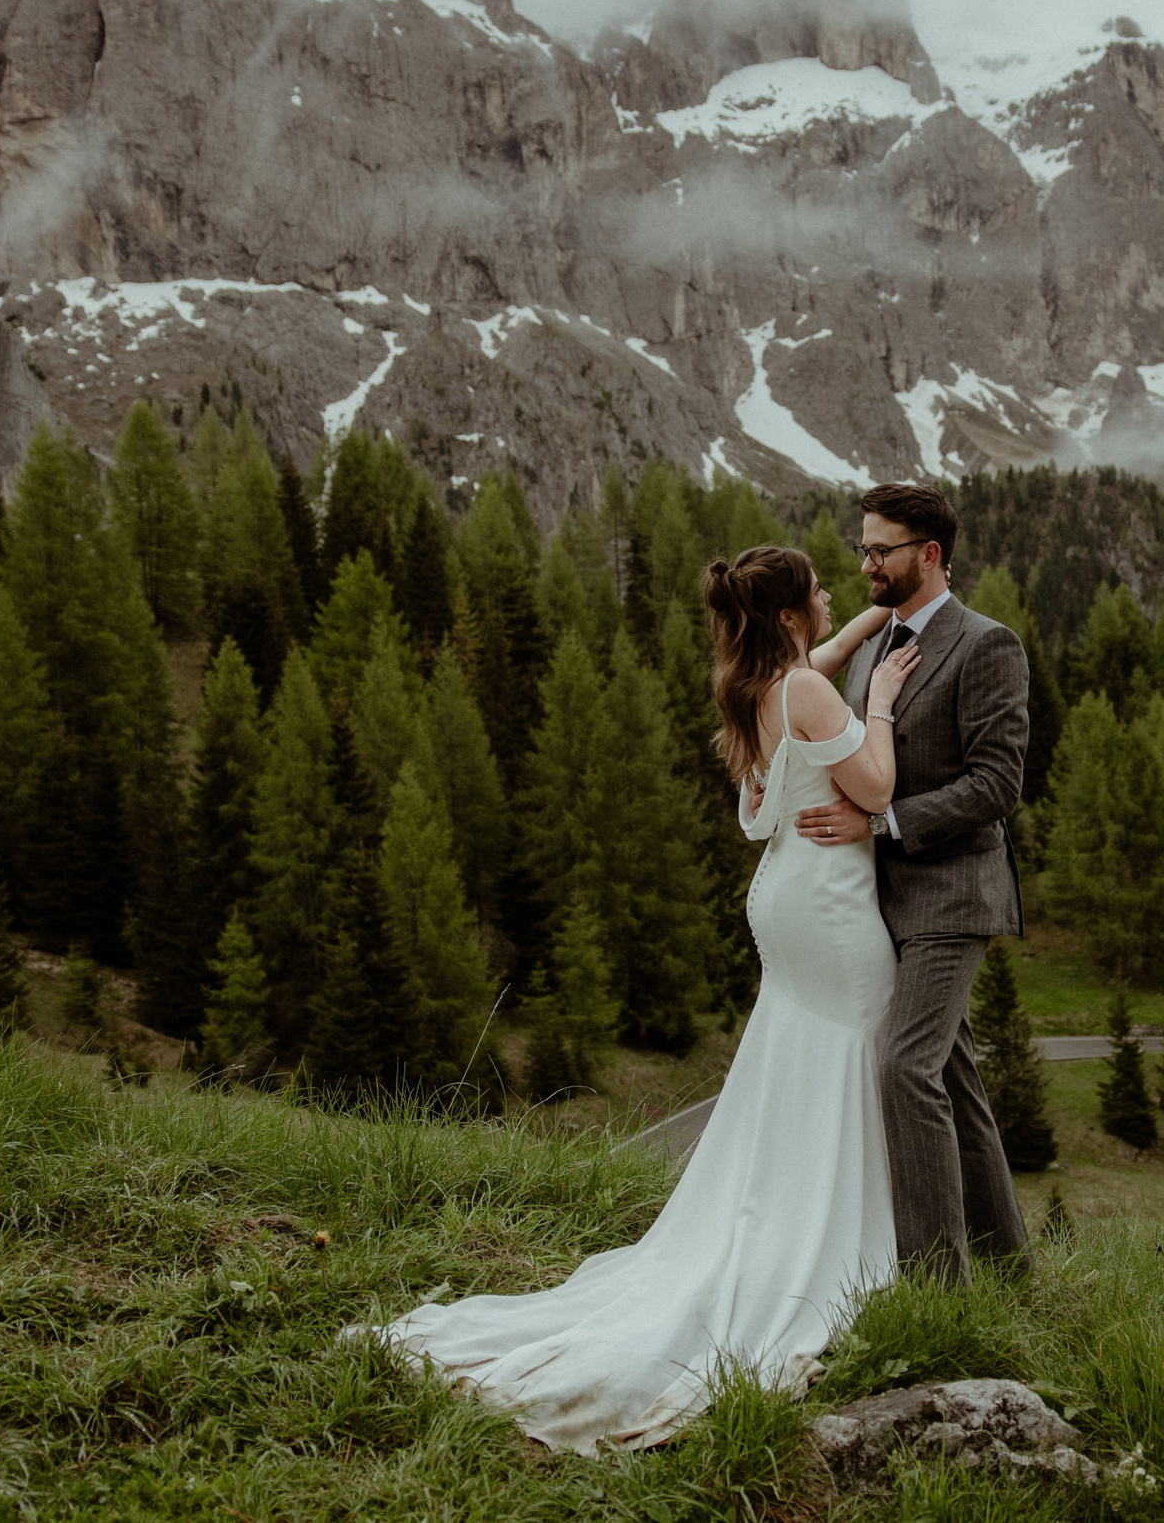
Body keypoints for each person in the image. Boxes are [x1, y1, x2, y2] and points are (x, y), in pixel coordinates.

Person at [348, 545, 914, 1454]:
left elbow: (826, 654)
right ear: (786, 614)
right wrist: (881, 704)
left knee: (800, 1058)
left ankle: (796, 1215)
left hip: (785, 901)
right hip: (832, 909)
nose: (832, 595)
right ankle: (835, 1241)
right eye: (818, 589)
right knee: (856, 1051)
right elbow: (877, 786)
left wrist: (872, 626)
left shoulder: (755, 680)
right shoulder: (807, 692)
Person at [796, 482, 1032, 1285]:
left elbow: (997, 785)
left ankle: (940, 1289)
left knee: (903, 1066)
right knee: (952, 1078)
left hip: (956, 894)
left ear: (928, 556)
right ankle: (1008, 1267)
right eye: (862, 549)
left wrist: (883, 822)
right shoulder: (871, 644)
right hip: (881, 902)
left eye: (880, 550)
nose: (866, 563)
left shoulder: (988, 645)